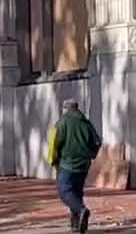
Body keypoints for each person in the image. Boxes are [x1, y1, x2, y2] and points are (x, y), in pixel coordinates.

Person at [47, 99, 101, 234]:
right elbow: (97, 142)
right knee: (76, 192)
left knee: (64, 191)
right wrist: (91, 155)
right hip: (83, 165)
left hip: (67, 164)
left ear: (65, 109)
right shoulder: (86, 123)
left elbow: (54, 143)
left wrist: (53, 161)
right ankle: (76, 224)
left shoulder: (62, 123)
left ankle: (82, 210)